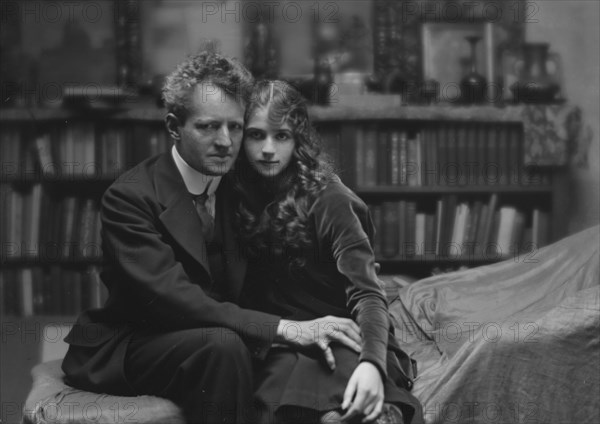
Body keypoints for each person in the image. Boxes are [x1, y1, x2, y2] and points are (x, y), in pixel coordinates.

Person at [61, 52, 363, 424]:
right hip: (142, 339)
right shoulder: (131, 197)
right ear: (174, 127)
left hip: (226, 331)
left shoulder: (241, 182)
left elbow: (309, 188)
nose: (225, 142)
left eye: (235, 128)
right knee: (225, 346)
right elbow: (173, 299)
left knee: (303, 345)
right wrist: (284, 329)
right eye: (208, 127)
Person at [234, 80, 424, 424]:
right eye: (255, 135)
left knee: (354, 406)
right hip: (285, 341)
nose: (267, 149)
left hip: (346, 332)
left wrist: (372, 364)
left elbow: (368, 294)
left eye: (281, 136)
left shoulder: (330, 199)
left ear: (299, 140)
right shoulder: (235, 195)